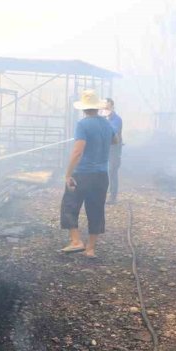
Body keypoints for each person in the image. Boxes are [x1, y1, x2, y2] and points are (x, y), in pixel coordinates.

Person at [60, 89, 116, 258]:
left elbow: (78, 151)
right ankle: (90, 249)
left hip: (83, 173)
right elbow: (116, 140)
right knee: (96, 208)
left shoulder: (82, 125)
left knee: (69, 204)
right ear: (97, 107)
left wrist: (68, 174)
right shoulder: (107, 124)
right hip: (101, 175)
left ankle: (76, 241)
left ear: (83, 108)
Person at [104, 98, 123, 204]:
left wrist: (105, 122)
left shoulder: (117, 119)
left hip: (114, 149)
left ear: (112, 107)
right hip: (104, 148)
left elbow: (114, 130)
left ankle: (113, 196)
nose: (106, 109)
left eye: (108, 107)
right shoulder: (102, 118)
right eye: (104, 107)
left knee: (112, 171)